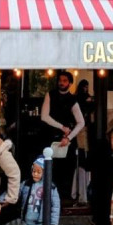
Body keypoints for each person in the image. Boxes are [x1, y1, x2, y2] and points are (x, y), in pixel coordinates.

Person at [40, 71, 85, 199]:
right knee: (49, 169)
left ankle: (63, 200)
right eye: (60, 80)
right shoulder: (50, 95)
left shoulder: (73, 100)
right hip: (49, 137)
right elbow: (44, 116)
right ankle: (47, 198)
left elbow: (81, 122)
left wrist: (69, 137)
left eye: (65, 81)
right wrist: (62, 127)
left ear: (70, 83)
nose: (62, 83)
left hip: (65, 141)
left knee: (66, 172)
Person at [20, 156, 60, 225]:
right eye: (34, 171)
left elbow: (55, 207)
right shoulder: (26, 184)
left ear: (45, 173)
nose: (35, 174)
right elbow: (14, 192)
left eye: (39, 172)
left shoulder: (50, 187)